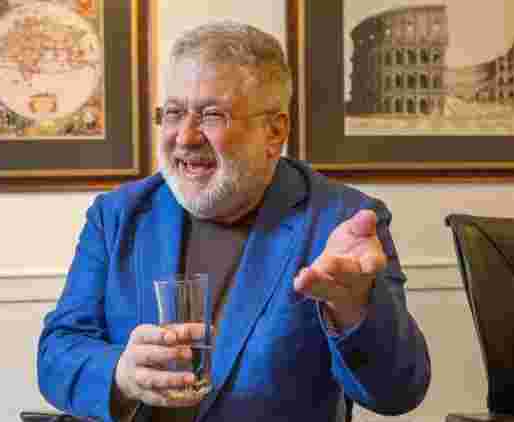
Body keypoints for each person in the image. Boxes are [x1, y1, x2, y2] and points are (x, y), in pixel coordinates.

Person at [37, 21, 430, 422]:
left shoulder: (342, 222)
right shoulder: (117, 215)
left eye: (211, 115)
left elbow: (399, 392)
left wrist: (353, 306)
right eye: (174, 112)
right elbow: (57, 353)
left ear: (274, 131)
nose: (185, 137)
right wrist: (122, 375)